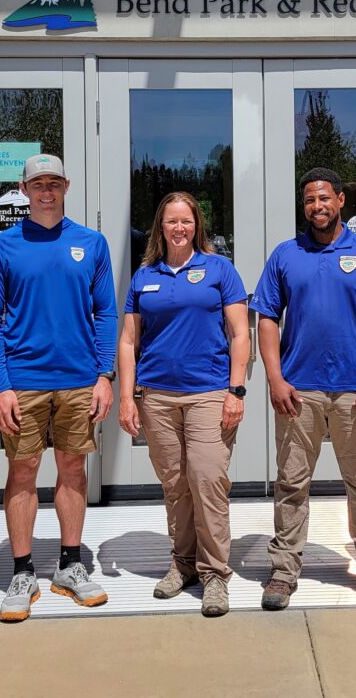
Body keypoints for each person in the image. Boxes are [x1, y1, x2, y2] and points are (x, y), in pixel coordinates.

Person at [251, 167, 356, 611]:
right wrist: (276, 378)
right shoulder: (286, 254)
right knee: (291, 483)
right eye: (309, 200)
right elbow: (265, 317)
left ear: (341, 201)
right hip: (298, 392)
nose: (317, 206)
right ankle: (283, 572)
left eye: (324, 198)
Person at [0, 154, 117, 623]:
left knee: (72, 468)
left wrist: (105, 375)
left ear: (66, 186)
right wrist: (0, 385)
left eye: (54, 183)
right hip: (24, 383)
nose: (46, 191)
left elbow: (107, 314)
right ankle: (22, 571)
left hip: (79, 381)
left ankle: (70, 566)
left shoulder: (91, 243)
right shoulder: (2, 248)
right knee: (22, 471)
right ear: (24, 189)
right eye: (38, 184)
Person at [118, 192, 249, 617]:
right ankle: (183, 564)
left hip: (209, 392)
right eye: (172, 221)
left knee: (208, 480)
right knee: (175, 485)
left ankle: (214, 574)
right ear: (161, 226)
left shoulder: (218, 270)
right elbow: (128, 340)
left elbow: (240, 333)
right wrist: (127, 397)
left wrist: (236, 390)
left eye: (186, 222)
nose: (179, 228)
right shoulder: (144, 277)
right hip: (157, 397)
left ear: (197, 227)